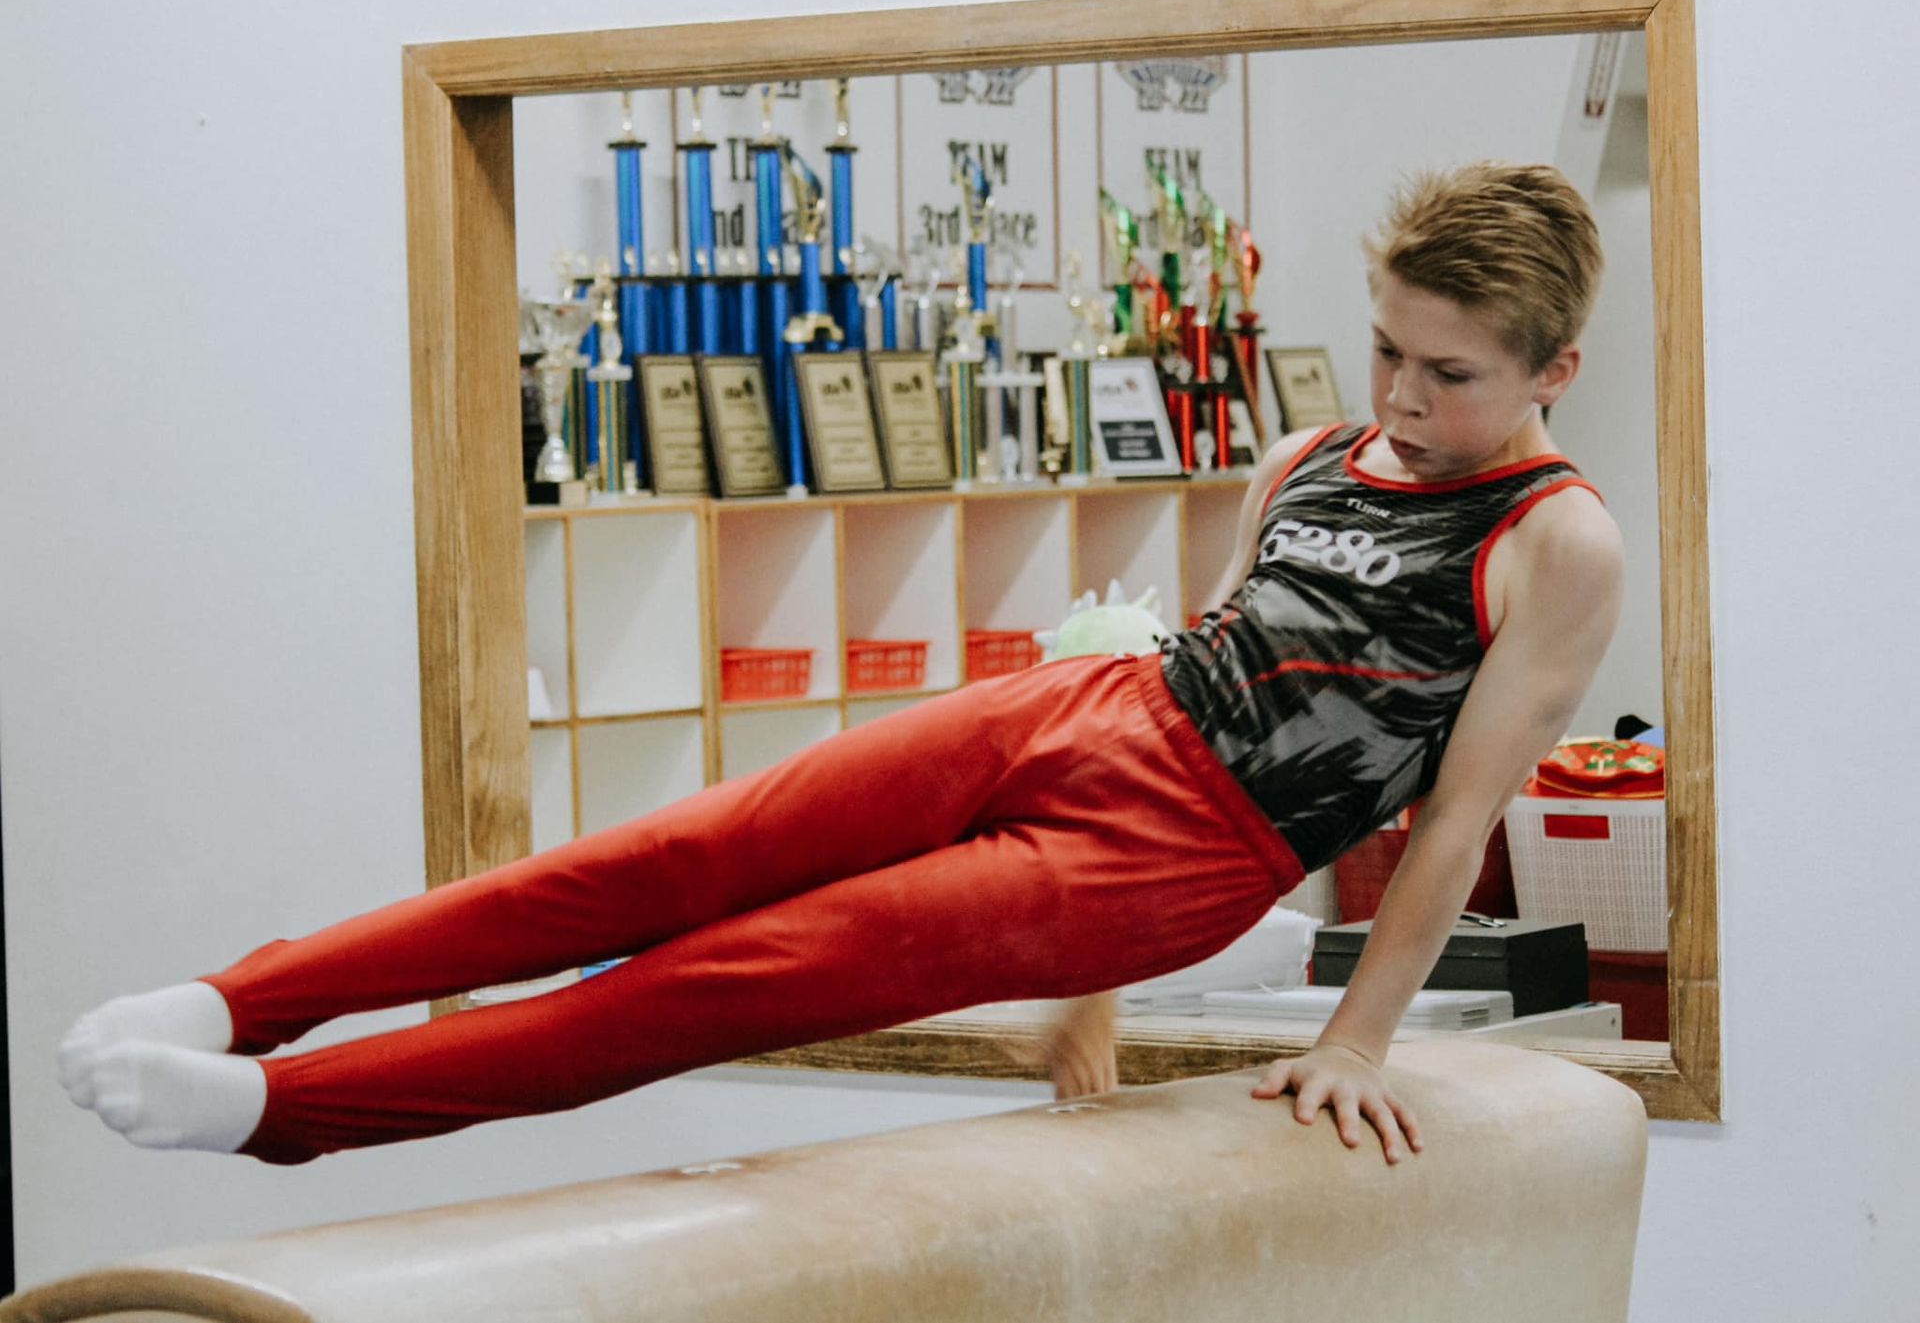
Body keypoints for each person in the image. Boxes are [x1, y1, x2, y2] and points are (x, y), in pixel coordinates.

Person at [59, 161, 1620, 1169]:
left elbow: (1457, 813)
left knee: (728, 978)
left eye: (1451, 373)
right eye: (1388, 349)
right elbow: (1214, 643)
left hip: (1186, 850)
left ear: (1553, 367)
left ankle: (288, 1114)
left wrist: (1356, 1041)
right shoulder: (1313, 451)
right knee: (658, 855)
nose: (1403, 397)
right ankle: (235, 1000)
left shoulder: (1553, 541)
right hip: (1092, 706)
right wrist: (1086, 1006)